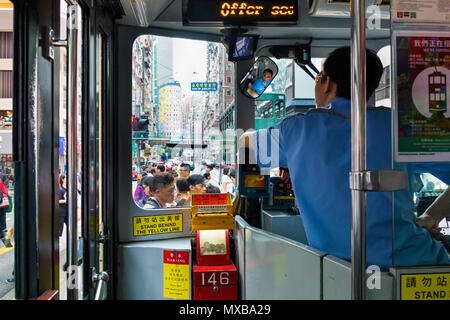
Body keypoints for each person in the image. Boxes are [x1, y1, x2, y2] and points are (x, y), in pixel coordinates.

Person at [239, 46, 450, 271]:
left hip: (338, 274)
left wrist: (288, 158)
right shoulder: (402, 127)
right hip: (419, 268)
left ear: (327, 83)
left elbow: (244, 143)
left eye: (318, 77)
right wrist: (431, 217)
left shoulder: (297, 131)